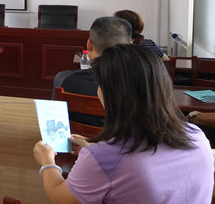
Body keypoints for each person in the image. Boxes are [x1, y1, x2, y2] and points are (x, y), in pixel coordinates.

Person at [33, 44, 213, 204]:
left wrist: (46, 160)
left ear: (110, 94)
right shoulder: (196, 135)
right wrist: (92, 149)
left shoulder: (104, 158)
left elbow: (61, 198)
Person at [52, 16, 132, 126]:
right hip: (124, 137)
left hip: (78, 137)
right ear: (130, 47)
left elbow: (56, 123)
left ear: (89, 45)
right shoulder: (144, 83)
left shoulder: (64, 79)